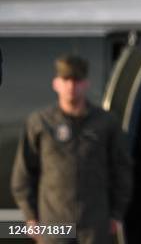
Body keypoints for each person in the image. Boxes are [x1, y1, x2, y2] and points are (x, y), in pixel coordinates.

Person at [11, 55, 133, 244]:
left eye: (77, 81)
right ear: (56, 83)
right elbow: (23, 175)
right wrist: (30, 217)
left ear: (86, 84)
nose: (71, 87)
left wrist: (117, 213)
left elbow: (122, 169)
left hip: (94, 224)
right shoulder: (40, 123)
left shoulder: (105, 123)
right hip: (53, 223)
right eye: (66, 80)